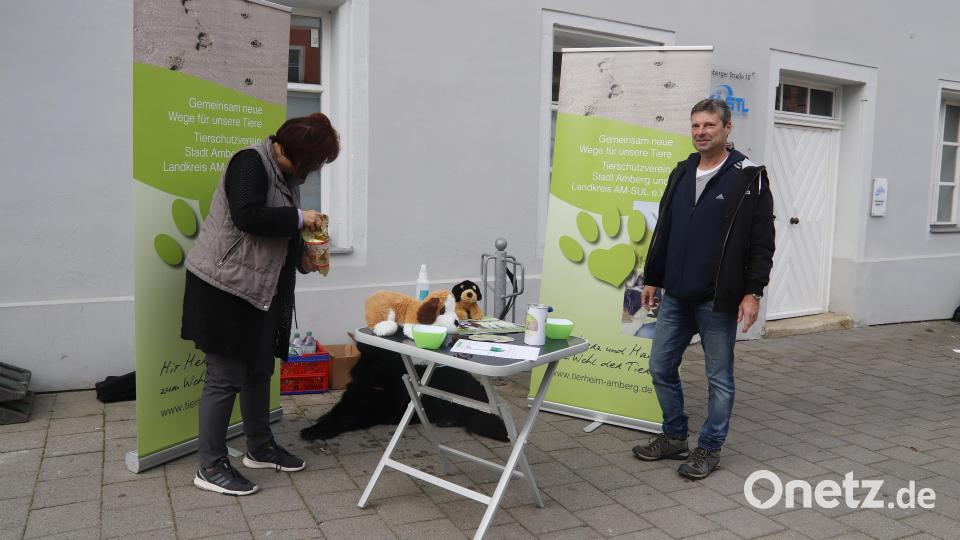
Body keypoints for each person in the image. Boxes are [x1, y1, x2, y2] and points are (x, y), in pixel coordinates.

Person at [181, 113, 340, 495]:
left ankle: (260, 446)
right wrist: (301, 217)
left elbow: (282, 235)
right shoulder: (250, 162)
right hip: (224, 287)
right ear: (301, 155)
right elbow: (247, 216)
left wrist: (307, 257)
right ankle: (210, 465)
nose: (316, 170)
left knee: (258, 371)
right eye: (317, 162)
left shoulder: (287, 175)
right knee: (223, 378)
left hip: (262, 289)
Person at [631, 99, 775, 480]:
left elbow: (762, 241)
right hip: (676, 295)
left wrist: (752, 292)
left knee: (719, 379)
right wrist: (653, 277)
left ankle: (709, 447)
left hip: (717, 298)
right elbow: (666, 228)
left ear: (728, 129)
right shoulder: (681, 172)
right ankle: (675, 435)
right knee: (660, 366)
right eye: (696, 125)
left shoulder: (749, 177)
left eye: (709, 125)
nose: (701, 132)